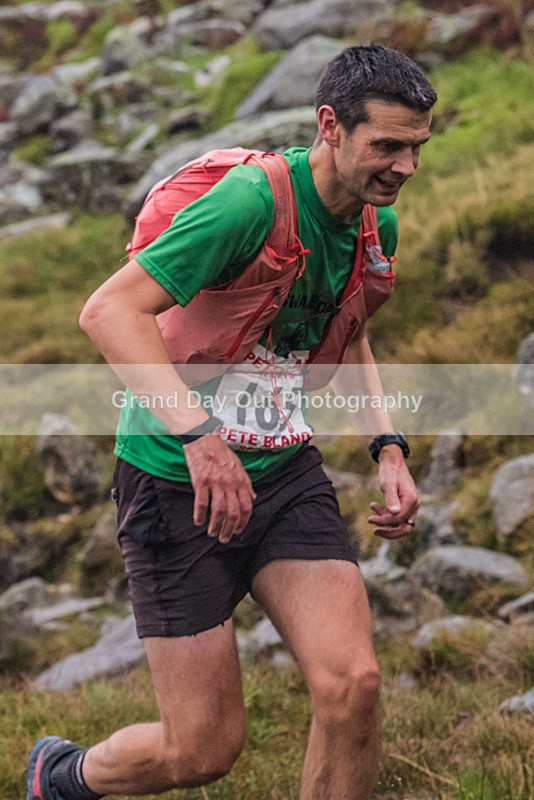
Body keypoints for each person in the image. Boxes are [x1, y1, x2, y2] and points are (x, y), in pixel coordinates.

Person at [26, 44, 436, 800]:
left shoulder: (377, 225)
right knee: (202, 750)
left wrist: (388, 447)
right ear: (330, 127)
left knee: (355, 687)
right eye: (387, 145)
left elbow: (353, 334)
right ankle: (61, 777)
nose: (405, 167)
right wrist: (198, 438)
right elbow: (109, 311)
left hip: (282, 472)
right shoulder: (249, 204)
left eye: (418, 146)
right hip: (173, 479)